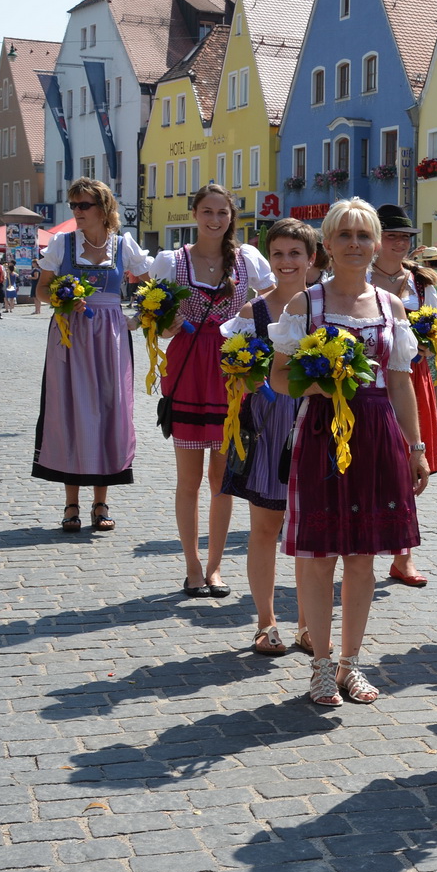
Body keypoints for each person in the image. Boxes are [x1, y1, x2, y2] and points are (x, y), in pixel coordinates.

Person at [270, 198, 429, 706]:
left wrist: (416, 447)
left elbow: (401, 383)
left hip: (377, 434)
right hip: (322, 432)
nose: (356, 245)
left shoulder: (391, 307)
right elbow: (277, 377)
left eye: (365, 236)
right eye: (345, 236)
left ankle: (350, 663)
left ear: (377, 244)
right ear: (328, 246)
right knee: (320, 559)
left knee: (362, 559)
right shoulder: (306, 305)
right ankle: (319, 665)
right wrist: (322, 384)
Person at [149, 185, 273, 596]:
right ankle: (192, 565)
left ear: (232, 216)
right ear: (194, 213)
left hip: (229, 370)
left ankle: (216, 566)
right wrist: (162, 322)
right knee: (190, 479)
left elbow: (275, 295)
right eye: (207, 211)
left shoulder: (245, 260)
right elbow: (156, 316)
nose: (214, 219)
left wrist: (249, 320)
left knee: (222, 478)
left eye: (222, 212)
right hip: (187, 370)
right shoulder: (173, 261)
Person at [31, 178, 154, 531]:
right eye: (73, 205)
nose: (76, 212)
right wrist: (62, 299)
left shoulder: (123, 245)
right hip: (70, 337)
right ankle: (71, 504)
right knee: (70, 411)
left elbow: (150, 291)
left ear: (104, 208)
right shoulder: (62, 244)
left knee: (109, 411)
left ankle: (101, 503)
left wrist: (136, 320)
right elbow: (40, 291)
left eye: (83, 205)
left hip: (111, 340)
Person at [219, 218, 313, 656]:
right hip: (267, 430)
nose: (286, 261)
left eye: (295, 253)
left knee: (313, 533)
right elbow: (232, 377)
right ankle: (266, 620)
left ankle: (310, 623)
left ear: (312, 258)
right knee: (264, 528)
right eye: (278, 253)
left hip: (316, 425)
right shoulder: (249, 314)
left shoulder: (324, 307)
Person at [370, 204, 437, 590]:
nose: (398, 243)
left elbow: (435, 327)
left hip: (413, 376)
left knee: (412, 465)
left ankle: (403, 555)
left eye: (405, 238)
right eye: (392, 236)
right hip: (373, 377)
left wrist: (430, 340)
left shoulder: (422, 282)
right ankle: (366, 542)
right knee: (374, 462)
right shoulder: (359, 276)